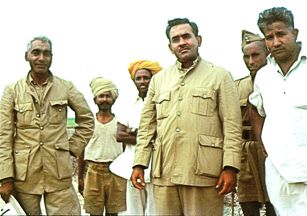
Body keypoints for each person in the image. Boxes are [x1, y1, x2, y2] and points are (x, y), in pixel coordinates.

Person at [131, 18, 242, 215]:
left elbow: (232, 126)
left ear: (198, 39)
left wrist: (230, 167)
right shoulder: (158, 80)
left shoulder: (220, 76)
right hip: (164, 173)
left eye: (186, 36)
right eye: (176, 39)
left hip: (204, 173)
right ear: (170, 47)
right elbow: (147, 127)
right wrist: (139, 164)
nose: (182, 42)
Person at [0, 36, 94, 215]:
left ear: (52, 57)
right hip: (24, 175)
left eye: (46, 54)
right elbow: (3, 136)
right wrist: (5, 177)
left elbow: (87, 120)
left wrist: (70, 149)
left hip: (58, 172)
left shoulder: (66, 87)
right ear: (26, 56)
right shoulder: (12, 91)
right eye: (36, 53)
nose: (41, 58)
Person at [249, 7, 307, 215]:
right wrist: (262, 141)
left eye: (281, 34)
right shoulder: (264, 76)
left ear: (295, 33)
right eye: (269, 37)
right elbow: (256, 108)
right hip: (278, 171)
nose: (276, 42)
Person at [110, 60, 162, 215]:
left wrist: (134, 133)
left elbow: (163, 134)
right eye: (138, 78)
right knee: (134, 208)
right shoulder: (129, 104)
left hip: (157, 163)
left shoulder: (162, 102)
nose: (142, 82)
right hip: (132, 164)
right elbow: (120, 135)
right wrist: (148, 137)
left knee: (155, 208)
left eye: (146, 77)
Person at [236, 30, 276, 216]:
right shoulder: (236, 86)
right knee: (248, 202)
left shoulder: (279, 82)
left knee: (275, 203)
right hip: (245, 154)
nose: (251, 61)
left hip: (271, 152)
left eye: (256, 55)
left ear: (267, 53)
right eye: (246, 56)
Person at [78, 77, 126, 216]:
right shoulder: (88, 123)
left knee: (113, 212)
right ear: (95, 100)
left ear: (114, 99)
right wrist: (80, 177)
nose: (104, 99)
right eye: (101, 96)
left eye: (108, 96)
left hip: (115, 172)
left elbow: (125, 150)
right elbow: (81, 150)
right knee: (94, 212)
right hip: (93, 171)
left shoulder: (120, 123)